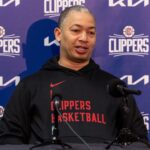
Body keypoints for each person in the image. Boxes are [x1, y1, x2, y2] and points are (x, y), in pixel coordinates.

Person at [0, 5, 148, 144]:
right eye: (76, 30)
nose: (84, 38)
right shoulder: (30, 86)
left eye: (91, 32)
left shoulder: (115, 88)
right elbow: (9, 140)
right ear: (58, 35)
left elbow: (139, 142)